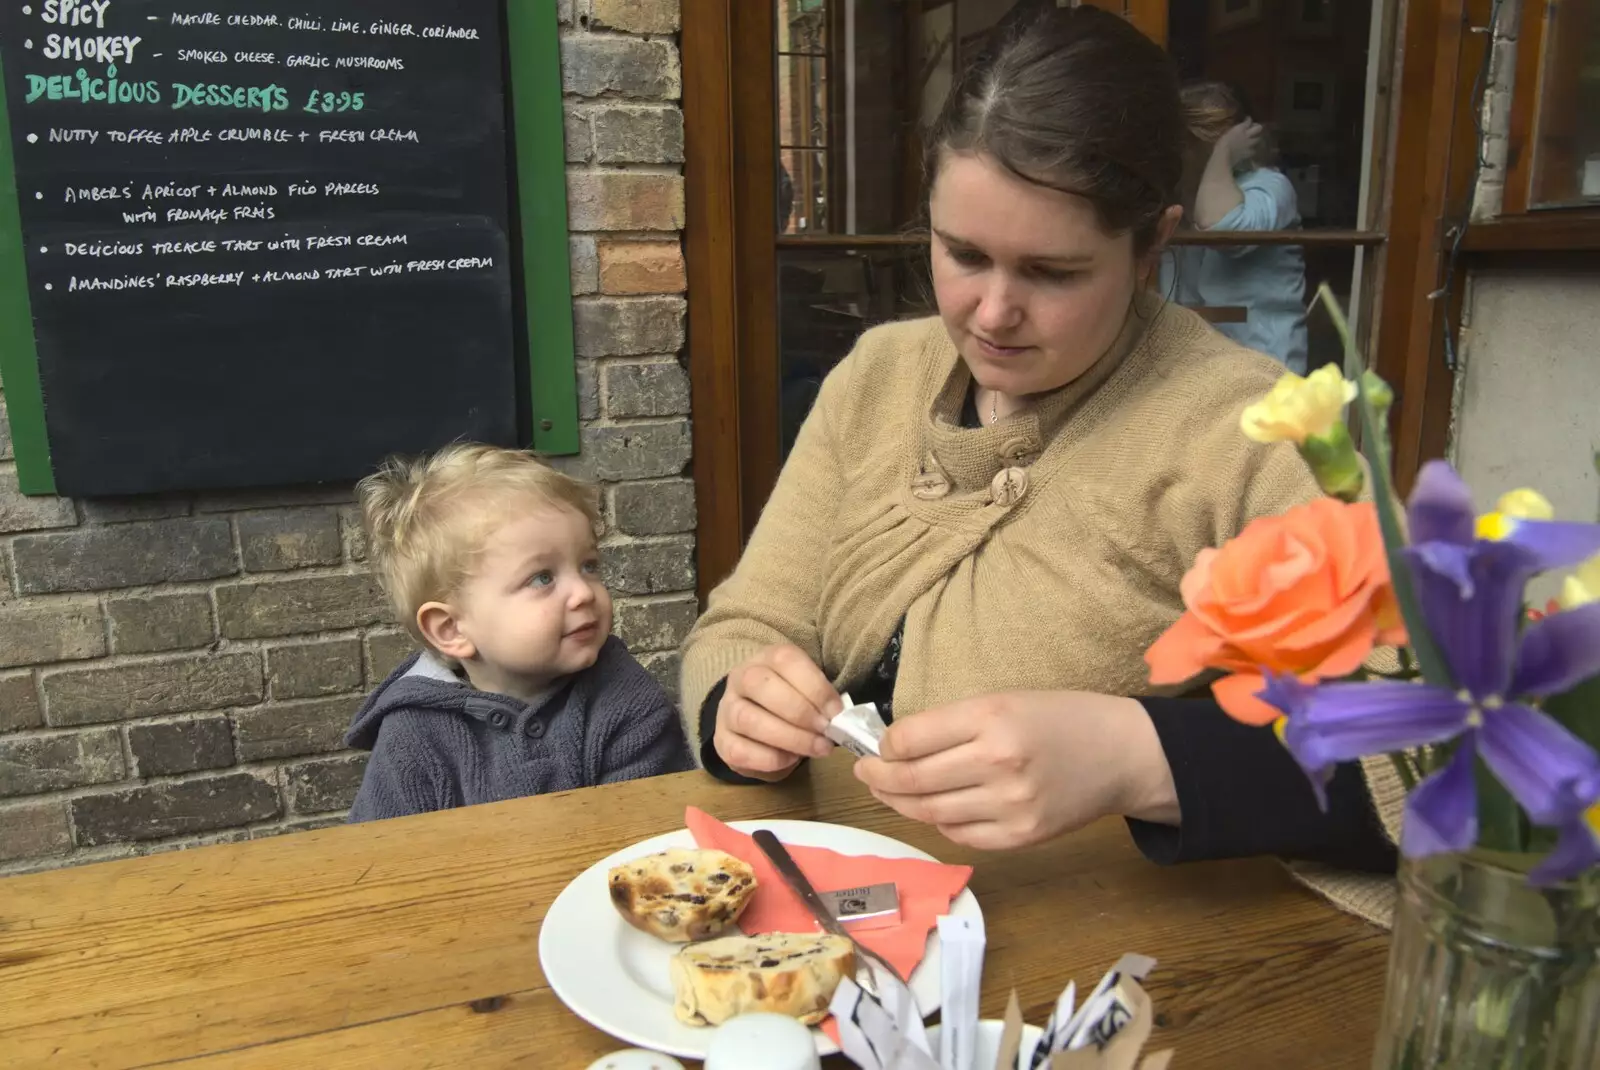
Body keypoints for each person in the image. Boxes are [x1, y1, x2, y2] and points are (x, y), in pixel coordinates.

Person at [680, 5, 1398, 924]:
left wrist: (1141, 756)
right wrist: (735, 708)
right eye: (962, 254)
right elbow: (746, 621)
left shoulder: (1252, 433)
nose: (991, 313)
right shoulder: (878, 377)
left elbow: (1436, 752)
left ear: (1152, 249)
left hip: (1094, 944)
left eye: (1054, 273)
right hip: (831, 911)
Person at [344, 443, 693, 822]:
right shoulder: (411, 736)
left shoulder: (625, 701)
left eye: (589, 565)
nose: (582, 593)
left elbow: (650, 839)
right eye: (542, 578)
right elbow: (380, 859)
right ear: (451, 629)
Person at [1163, 80, 1311, 373]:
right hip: (1198, 367)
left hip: (1263, 366)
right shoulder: (1182, 196)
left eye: (1189, 146)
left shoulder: (1270, 186)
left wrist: (1224, 153)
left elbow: (1222, 229)